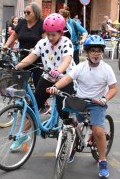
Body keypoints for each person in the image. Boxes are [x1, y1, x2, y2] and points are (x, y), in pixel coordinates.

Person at [48, 35, 118, 178]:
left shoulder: (107, 69)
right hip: (80, 102)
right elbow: (67, 78)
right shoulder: (81, 67)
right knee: (76, 127)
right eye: (93, 50)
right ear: (86, 52)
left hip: (97, 104)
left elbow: (114, 88)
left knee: (98, 131)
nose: (96, 54)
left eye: (99, 50)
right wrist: (54, 87)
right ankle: (71, 147)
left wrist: (104, 99)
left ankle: (103, 160)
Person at [10, 13, 73, 150]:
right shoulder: (42, 43)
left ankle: (68, 137)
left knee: (63, 111)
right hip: (48, 77)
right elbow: (31, 58)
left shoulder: (66, 42)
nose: (50, 38)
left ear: (61, 33)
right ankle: (22, 134)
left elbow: (67, 60)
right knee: (34, 107)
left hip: (65, 78)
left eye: (53, 35)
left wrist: (59, 70)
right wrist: (16, 66)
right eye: (48, 34)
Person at [2, 2, 45, 87]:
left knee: (38, 85)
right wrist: (6, 45)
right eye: (25, 12)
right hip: (23, 57)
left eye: (28, 12)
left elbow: (45, 41)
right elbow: (14, 35)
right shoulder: (22, 22)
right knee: (19, 83)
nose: (26, 14)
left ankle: (40, 100)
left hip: (38, 60)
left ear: (35, 13)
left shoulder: (41, 23)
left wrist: (36, 49)